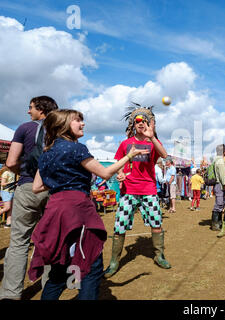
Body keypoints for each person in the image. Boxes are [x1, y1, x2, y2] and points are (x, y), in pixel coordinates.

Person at [28, 109, 149, 300]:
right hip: (77, 210)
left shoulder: (46, 152)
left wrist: (61, 182)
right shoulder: (77, 148)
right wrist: (129, 156)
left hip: (55, 211)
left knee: (59, 272)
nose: (82, 124)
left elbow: (36, 187)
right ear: (63, 125)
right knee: (90, 268)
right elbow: (106, 174)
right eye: (77, 120)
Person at [0, 96, 58, 300]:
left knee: (18, 243)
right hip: (54, 189)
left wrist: (24, 172)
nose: (28, 111)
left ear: (41, 110)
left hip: (27, 186)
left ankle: (10, 295)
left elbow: (11, 160)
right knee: (51, 241)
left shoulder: (25, 128)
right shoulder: (63, 128)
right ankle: (50, 290)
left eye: (31, 107)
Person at [104, 104, 171, 279]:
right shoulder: (125, 143)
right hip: (129, 190)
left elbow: (164, 155)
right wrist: (120, 174)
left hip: (149, 190)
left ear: (149, 123)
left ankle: (159, 256)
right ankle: (114, 261)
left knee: (156, 224)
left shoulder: (153, 142)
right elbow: (119, 161)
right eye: (137, 120)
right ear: (133, 124)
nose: (140, 123)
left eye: (144, 120)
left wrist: (152, 137)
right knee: (120, 226)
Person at [210, 144, 225, 231]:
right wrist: (224, 185)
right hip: (219, 184)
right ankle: (215, 224)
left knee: (219, 203)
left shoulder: (215, 160)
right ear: (224, 152)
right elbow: (222, 175)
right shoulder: (220, 161)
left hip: (216, 184)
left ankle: (218, 223)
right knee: (219, 204)